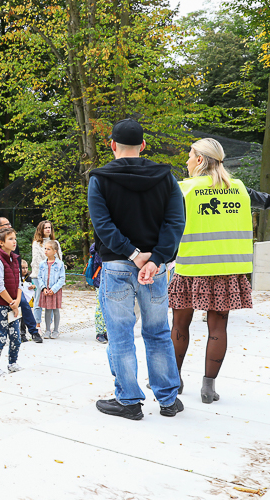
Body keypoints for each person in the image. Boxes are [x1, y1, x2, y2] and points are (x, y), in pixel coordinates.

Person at [170, 138, 270, 404]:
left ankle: (174, 382)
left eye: (190, 154)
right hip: (228, 270)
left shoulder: (184, 190)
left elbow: (167, 226)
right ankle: (208, 387)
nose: (187, 160)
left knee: (180, 324)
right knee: (218, 327)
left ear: (201, 160)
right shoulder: (238, 189)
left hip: (192, 268)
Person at [87, 118, 186, 420]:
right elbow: (175, 222)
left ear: (112, 145)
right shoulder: (166, 178)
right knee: (157, 332)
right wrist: (155, 259)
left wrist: (133, 254)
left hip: (117, 266)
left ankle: (129, 400)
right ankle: (168, 400)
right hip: (156, 269)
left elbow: (103, 226)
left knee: (120, 334)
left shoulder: (100, 179)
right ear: (143, 146)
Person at [0, 217, 42, 343]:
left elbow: (17, 263)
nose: (9, 225)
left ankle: (33, 332)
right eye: (6, 224)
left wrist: (19, 283)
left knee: (24, 304)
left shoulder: (13, 245)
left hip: (14, 285)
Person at [0, 227, 24, 377]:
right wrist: (11, 302)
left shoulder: (15, 259)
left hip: (13, 304)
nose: (14, 241)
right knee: (1, 337)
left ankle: (12, 363)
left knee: (16, 336)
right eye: (10, 239)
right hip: (0, 306)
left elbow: (20, 283)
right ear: (1, 243)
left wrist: (17, 302)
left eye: (15, 238)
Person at [30, 220, 62, 336]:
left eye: (49, 227)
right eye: (45, 228)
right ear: (41, 230)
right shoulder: (36, 243)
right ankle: (37, 324)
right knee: (38, 300)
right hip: (39, 276)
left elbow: (59, 259)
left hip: (53, 277)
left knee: (52, 301)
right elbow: (37, 261)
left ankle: (50, 326)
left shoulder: (55, 243)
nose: (48, 229)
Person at [38, 240, 66, 338]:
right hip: (46, 291)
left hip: (55, 291)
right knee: (47, 310)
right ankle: (47, 330)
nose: (46, 251)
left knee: (56, 310)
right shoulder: (42, 264)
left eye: (48, 249)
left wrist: (54, 289)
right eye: (45, 248)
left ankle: (56, 330)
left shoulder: (60, 264)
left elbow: (62, 278)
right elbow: (39, 277)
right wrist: (43, 288)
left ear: (54, 251)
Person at [89, 243, 108, 344]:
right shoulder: (99, 246)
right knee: (100, 306)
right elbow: (102, 262)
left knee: (108, 306)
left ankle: (106, 331)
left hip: (109, 280)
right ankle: (100, 332)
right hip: (100, 280)